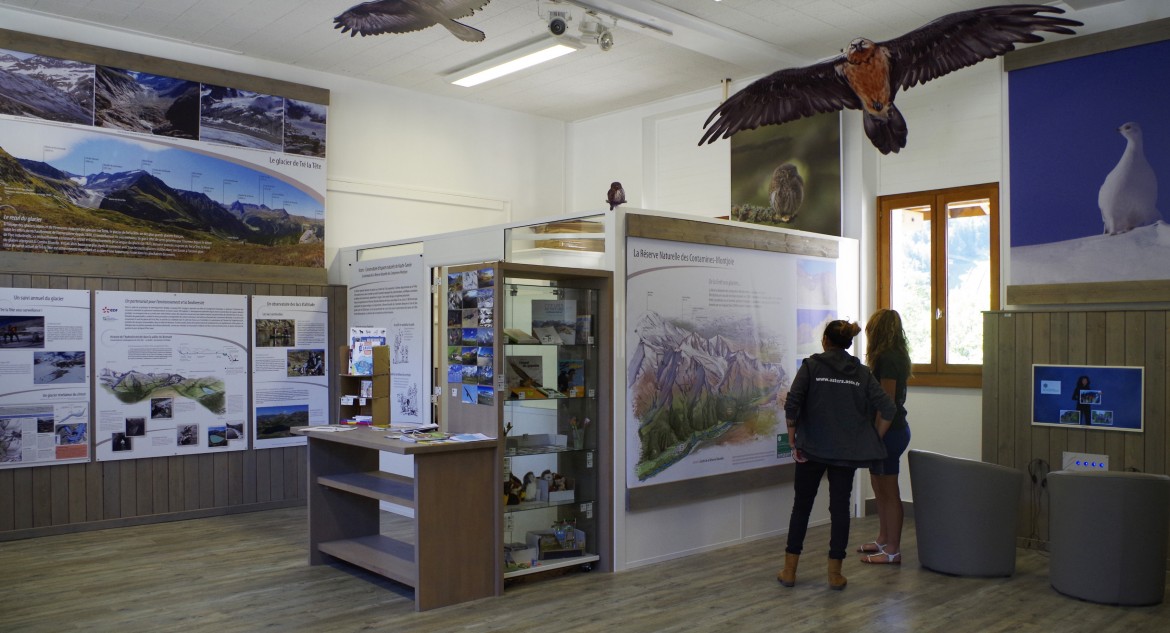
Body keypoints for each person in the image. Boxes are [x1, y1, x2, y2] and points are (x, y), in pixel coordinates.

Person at [779, 320, 895, 591]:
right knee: (840, 510)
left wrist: (793, 439)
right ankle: (835, 575)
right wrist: (871, 438)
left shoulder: (811, 366)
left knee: (802, 507)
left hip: (811, 449)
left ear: (825, 341)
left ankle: (789, 570)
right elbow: (888, 408)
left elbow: (793, 403)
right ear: (847, 343)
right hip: (847, 453)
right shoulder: (862, 372)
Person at [858, 308, 913, 565]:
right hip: (885, 431)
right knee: (879, 487)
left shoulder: (888, 358)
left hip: (889, 432)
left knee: (889, 491)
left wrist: (877, 437)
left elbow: (887, 403)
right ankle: (883, 538)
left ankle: (893, 550)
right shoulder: (892, 356)